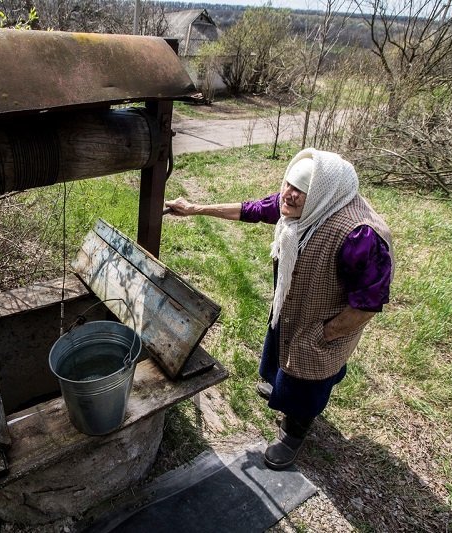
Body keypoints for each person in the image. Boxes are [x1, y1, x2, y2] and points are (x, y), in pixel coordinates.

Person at [165, 148, 393, 470]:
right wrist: (193, 209)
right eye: (288, 184)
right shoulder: (307, 205)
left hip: (325, 323)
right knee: (283, 349)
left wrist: (324, 334)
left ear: (321, 194)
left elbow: (368, 305)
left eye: (300, 190)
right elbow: (254, 209)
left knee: (311, 376)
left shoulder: (361, 236)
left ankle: (294, 431)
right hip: (294, 305)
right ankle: (282, 385)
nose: (288, 195)